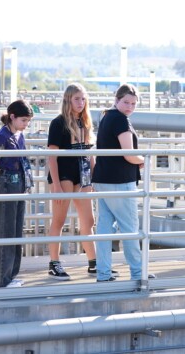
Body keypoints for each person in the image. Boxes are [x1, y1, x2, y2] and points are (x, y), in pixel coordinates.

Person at [92, 84, 145, 282]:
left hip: (103, 178)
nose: (129, 106)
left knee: (105, 228)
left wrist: (135, 160)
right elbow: (129, 153)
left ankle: (103, 273)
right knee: (129, 227)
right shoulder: (121, 120)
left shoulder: (107, 116)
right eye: (126, 102)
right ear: (117, 100)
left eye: (133, 103)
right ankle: (138, 273)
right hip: (120, 181)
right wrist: (145, 159)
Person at [46, 83, 97, 281]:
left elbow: (89, 152)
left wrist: (93, 177)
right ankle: (54, 263)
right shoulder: (58, 123)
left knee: (88, 220)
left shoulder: (85, 122)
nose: (81, 103)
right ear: (68, 100)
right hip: (64, 174)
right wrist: (57, 184)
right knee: (59, 220)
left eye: (83, 99)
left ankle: (93, 263)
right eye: (77, 99)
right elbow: (52, 156)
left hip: (82, 174)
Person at [0, 100, 34, 288]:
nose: (26, 124)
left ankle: (11, 274)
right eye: (23, 120)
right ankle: (0, 279)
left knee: (15, 231)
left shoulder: (18, 134)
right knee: (4, 232)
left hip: (19, 182)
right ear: (12, 117)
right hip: (6, 183)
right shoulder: (1, 137)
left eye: (28, 121)